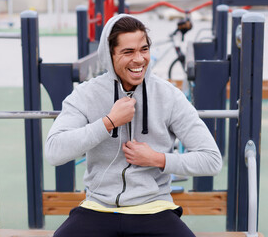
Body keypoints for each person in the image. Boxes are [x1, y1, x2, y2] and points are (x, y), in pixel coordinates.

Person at [45, 14, 222, 237]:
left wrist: (157, 159)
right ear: (110, 56)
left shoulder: (169, 96)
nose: (139, 60)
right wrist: (108, 123)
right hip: (99, 206)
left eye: (144, 49)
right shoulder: (86, 94)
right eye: (128, 52)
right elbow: (53, 152)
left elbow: (212, 160)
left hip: (154, 207)